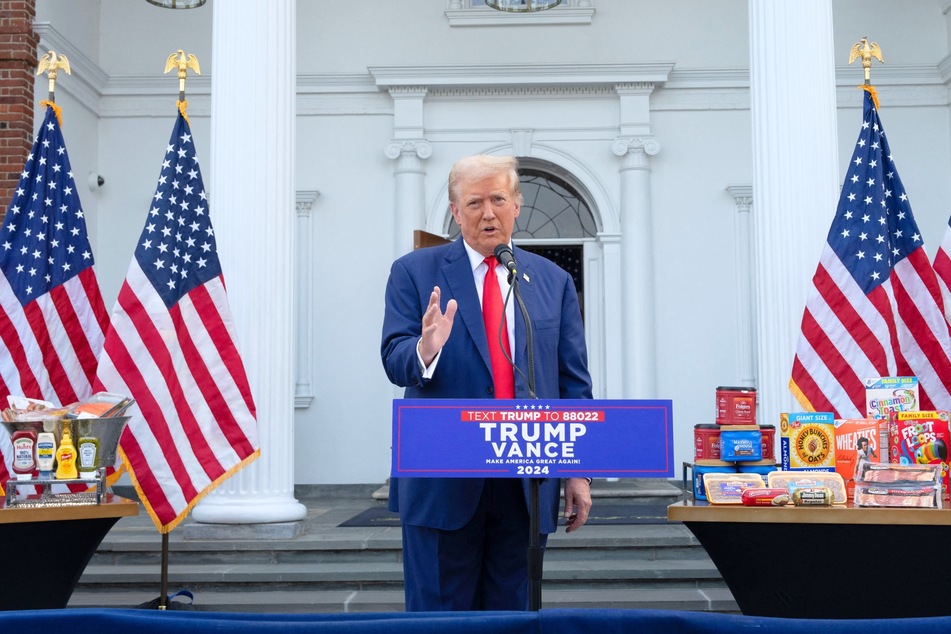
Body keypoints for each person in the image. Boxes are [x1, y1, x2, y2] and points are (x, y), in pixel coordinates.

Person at [381, 154, 594, 611]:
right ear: (456, 212)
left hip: (524, 480)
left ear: (517, 205)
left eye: (498, 199)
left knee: (514, 618)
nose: (488, 212)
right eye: (474, 202)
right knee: (440, 622)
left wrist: (577, 469)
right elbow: (394, 360)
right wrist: (427, 347)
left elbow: (572, 382)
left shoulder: (553, 282)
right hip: (443, 478)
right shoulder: (415, 272)